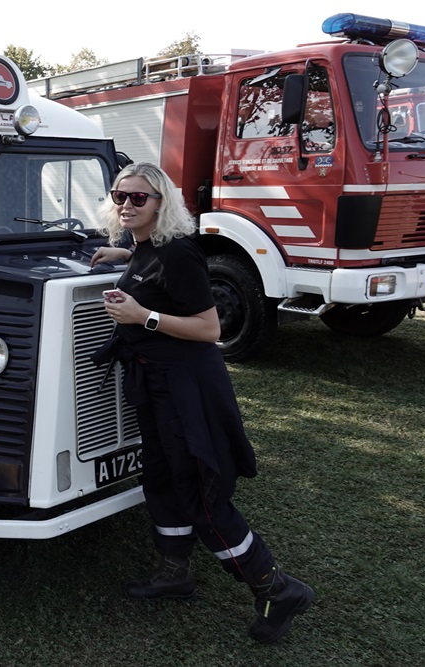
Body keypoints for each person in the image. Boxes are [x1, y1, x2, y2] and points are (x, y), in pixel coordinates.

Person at [90, 163, 314, 645]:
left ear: (162, 203)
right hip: (153, 385)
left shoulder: (179, 254)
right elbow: (149, 264)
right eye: (120, 195)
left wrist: (142, 316)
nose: (127, 204)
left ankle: (276, 587)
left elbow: (209, 330)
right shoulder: (147, 247)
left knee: (200, 492)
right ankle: (175, 573)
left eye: (139, 198)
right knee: (162, 477)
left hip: (185, 388)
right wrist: (123, 254)